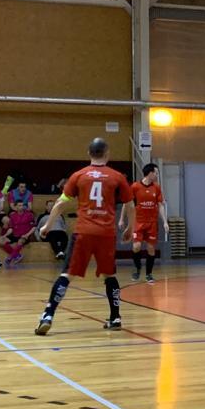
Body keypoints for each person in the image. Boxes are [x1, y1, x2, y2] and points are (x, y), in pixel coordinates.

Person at [35, 137, 131, 335]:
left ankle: (48, 315)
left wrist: (47, 225)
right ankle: (115, 318)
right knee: (110, 275)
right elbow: (130, 204)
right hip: (106, 234)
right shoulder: (117, 177)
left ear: (89, 153)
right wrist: (131, 227)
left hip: (84, 232)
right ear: (107, 153)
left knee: (67, 275)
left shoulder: (78, 175)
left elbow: (61, 203)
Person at [119, 163, 168, 284]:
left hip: (152, 223)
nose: (157, 175)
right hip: (138, 222)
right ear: (150, 173)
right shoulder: (135, 186)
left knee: (151, 249)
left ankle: (149, 274)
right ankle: (137, 268)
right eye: (155, 173)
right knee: (136, 247)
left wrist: (165, 222)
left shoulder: (156, 188)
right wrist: (121, 219)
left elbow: (160, 205)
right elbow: (126, 203)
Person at [0, 200, 35, 266]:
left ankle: (10, 257)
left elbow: (34, 227)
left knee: (20, 241)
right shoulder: (12, 216)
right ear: (16, 207)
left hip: (25, 235)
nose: (22, 207)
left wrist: (27, 235)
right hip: (15, 235)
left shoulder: (29, 215)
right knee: (1, 240)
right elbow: (11, 228)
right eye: (19, 205)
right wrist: (5, 235)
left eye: (22, 205)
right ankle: (17, 255)